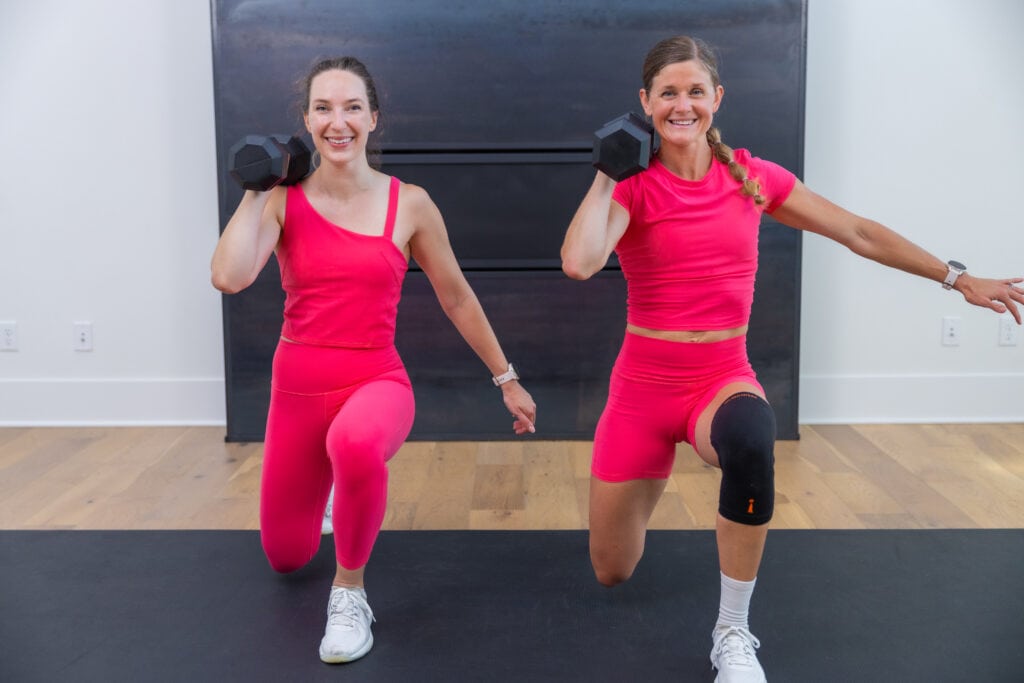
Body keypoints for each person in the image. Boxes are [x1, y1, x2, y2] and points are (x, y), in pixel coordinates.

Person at [560, 35, 1022, 682]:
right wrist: (610, 169)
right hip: (641, 390)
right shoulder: (633, 190)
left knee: (752, 438)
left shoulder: (751, 177)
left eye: (696, 91)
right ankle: (650, 485)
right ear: (645, 103)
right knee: (613, 568)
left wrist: (956, 278)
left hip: (719, 379)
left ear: (717, 99)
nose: (682, 104)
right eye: (668, 93)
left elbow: (856, 230)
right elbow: (580, 263)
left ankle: (733, 630)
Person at [210, 56, 537, 664]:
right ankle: (335, 492)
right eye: (325, 108)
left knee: (357, 444)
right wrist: (257, 187)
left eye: (352, 107)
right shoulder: (281, 202)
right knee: (286, 555)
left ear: (373, 118)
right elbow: (228, 277)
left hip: (375, 380)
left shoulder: (409, 203)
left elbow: (457, 296)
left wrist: (507, 379)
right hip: (298, 390)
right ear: (306, 120)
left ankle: (350, 595)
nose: (340, 122)